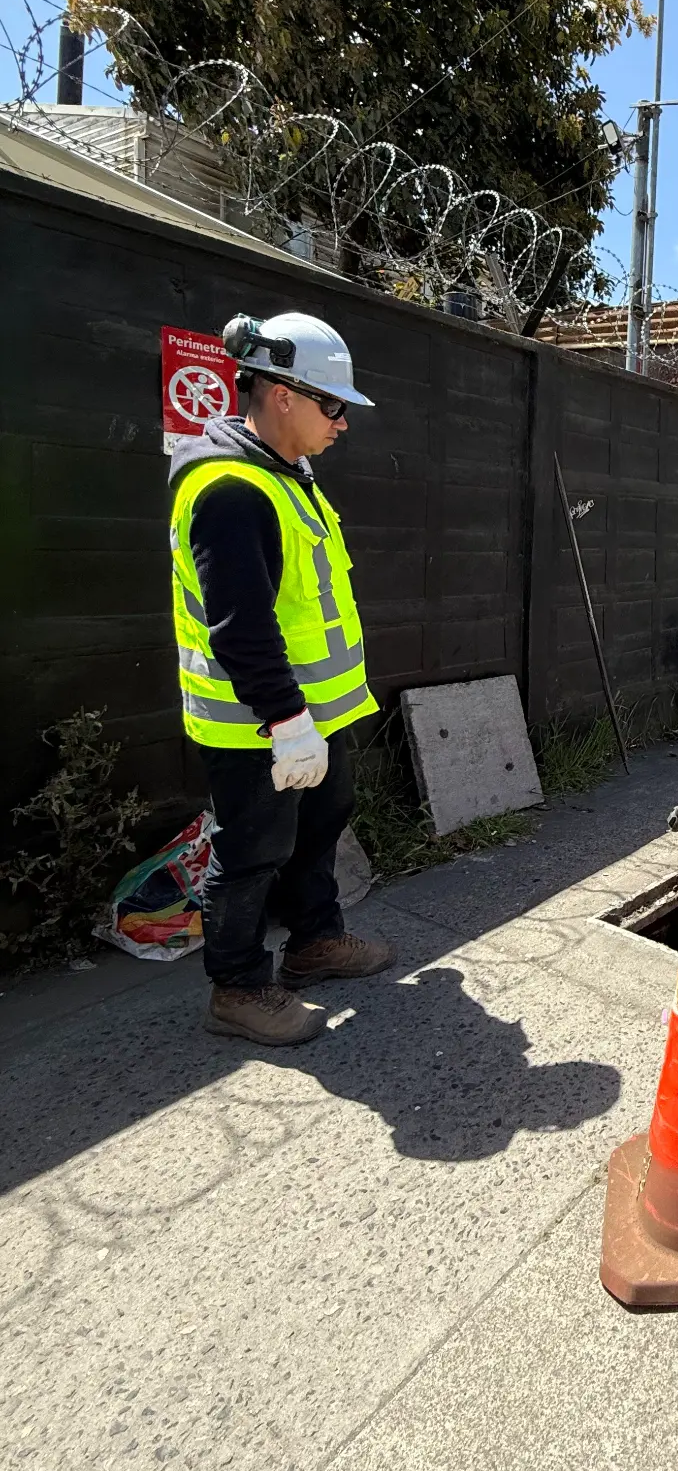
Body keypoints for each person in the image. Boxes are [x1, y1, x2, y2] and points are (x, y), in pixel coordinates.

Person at [169, 311, 394, 1047]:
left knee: (319, 825)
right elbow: (240, 626)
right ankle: (237, 988)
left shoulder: (286, 477)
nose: (342, 423)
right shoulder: (232, 490)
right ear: (283, 395)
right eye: (332, 406)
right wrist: (287, 721)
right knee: (251, 852)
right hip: (260, 726)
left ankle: (314, 942)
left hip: (312, 716)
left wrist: (310, 719)